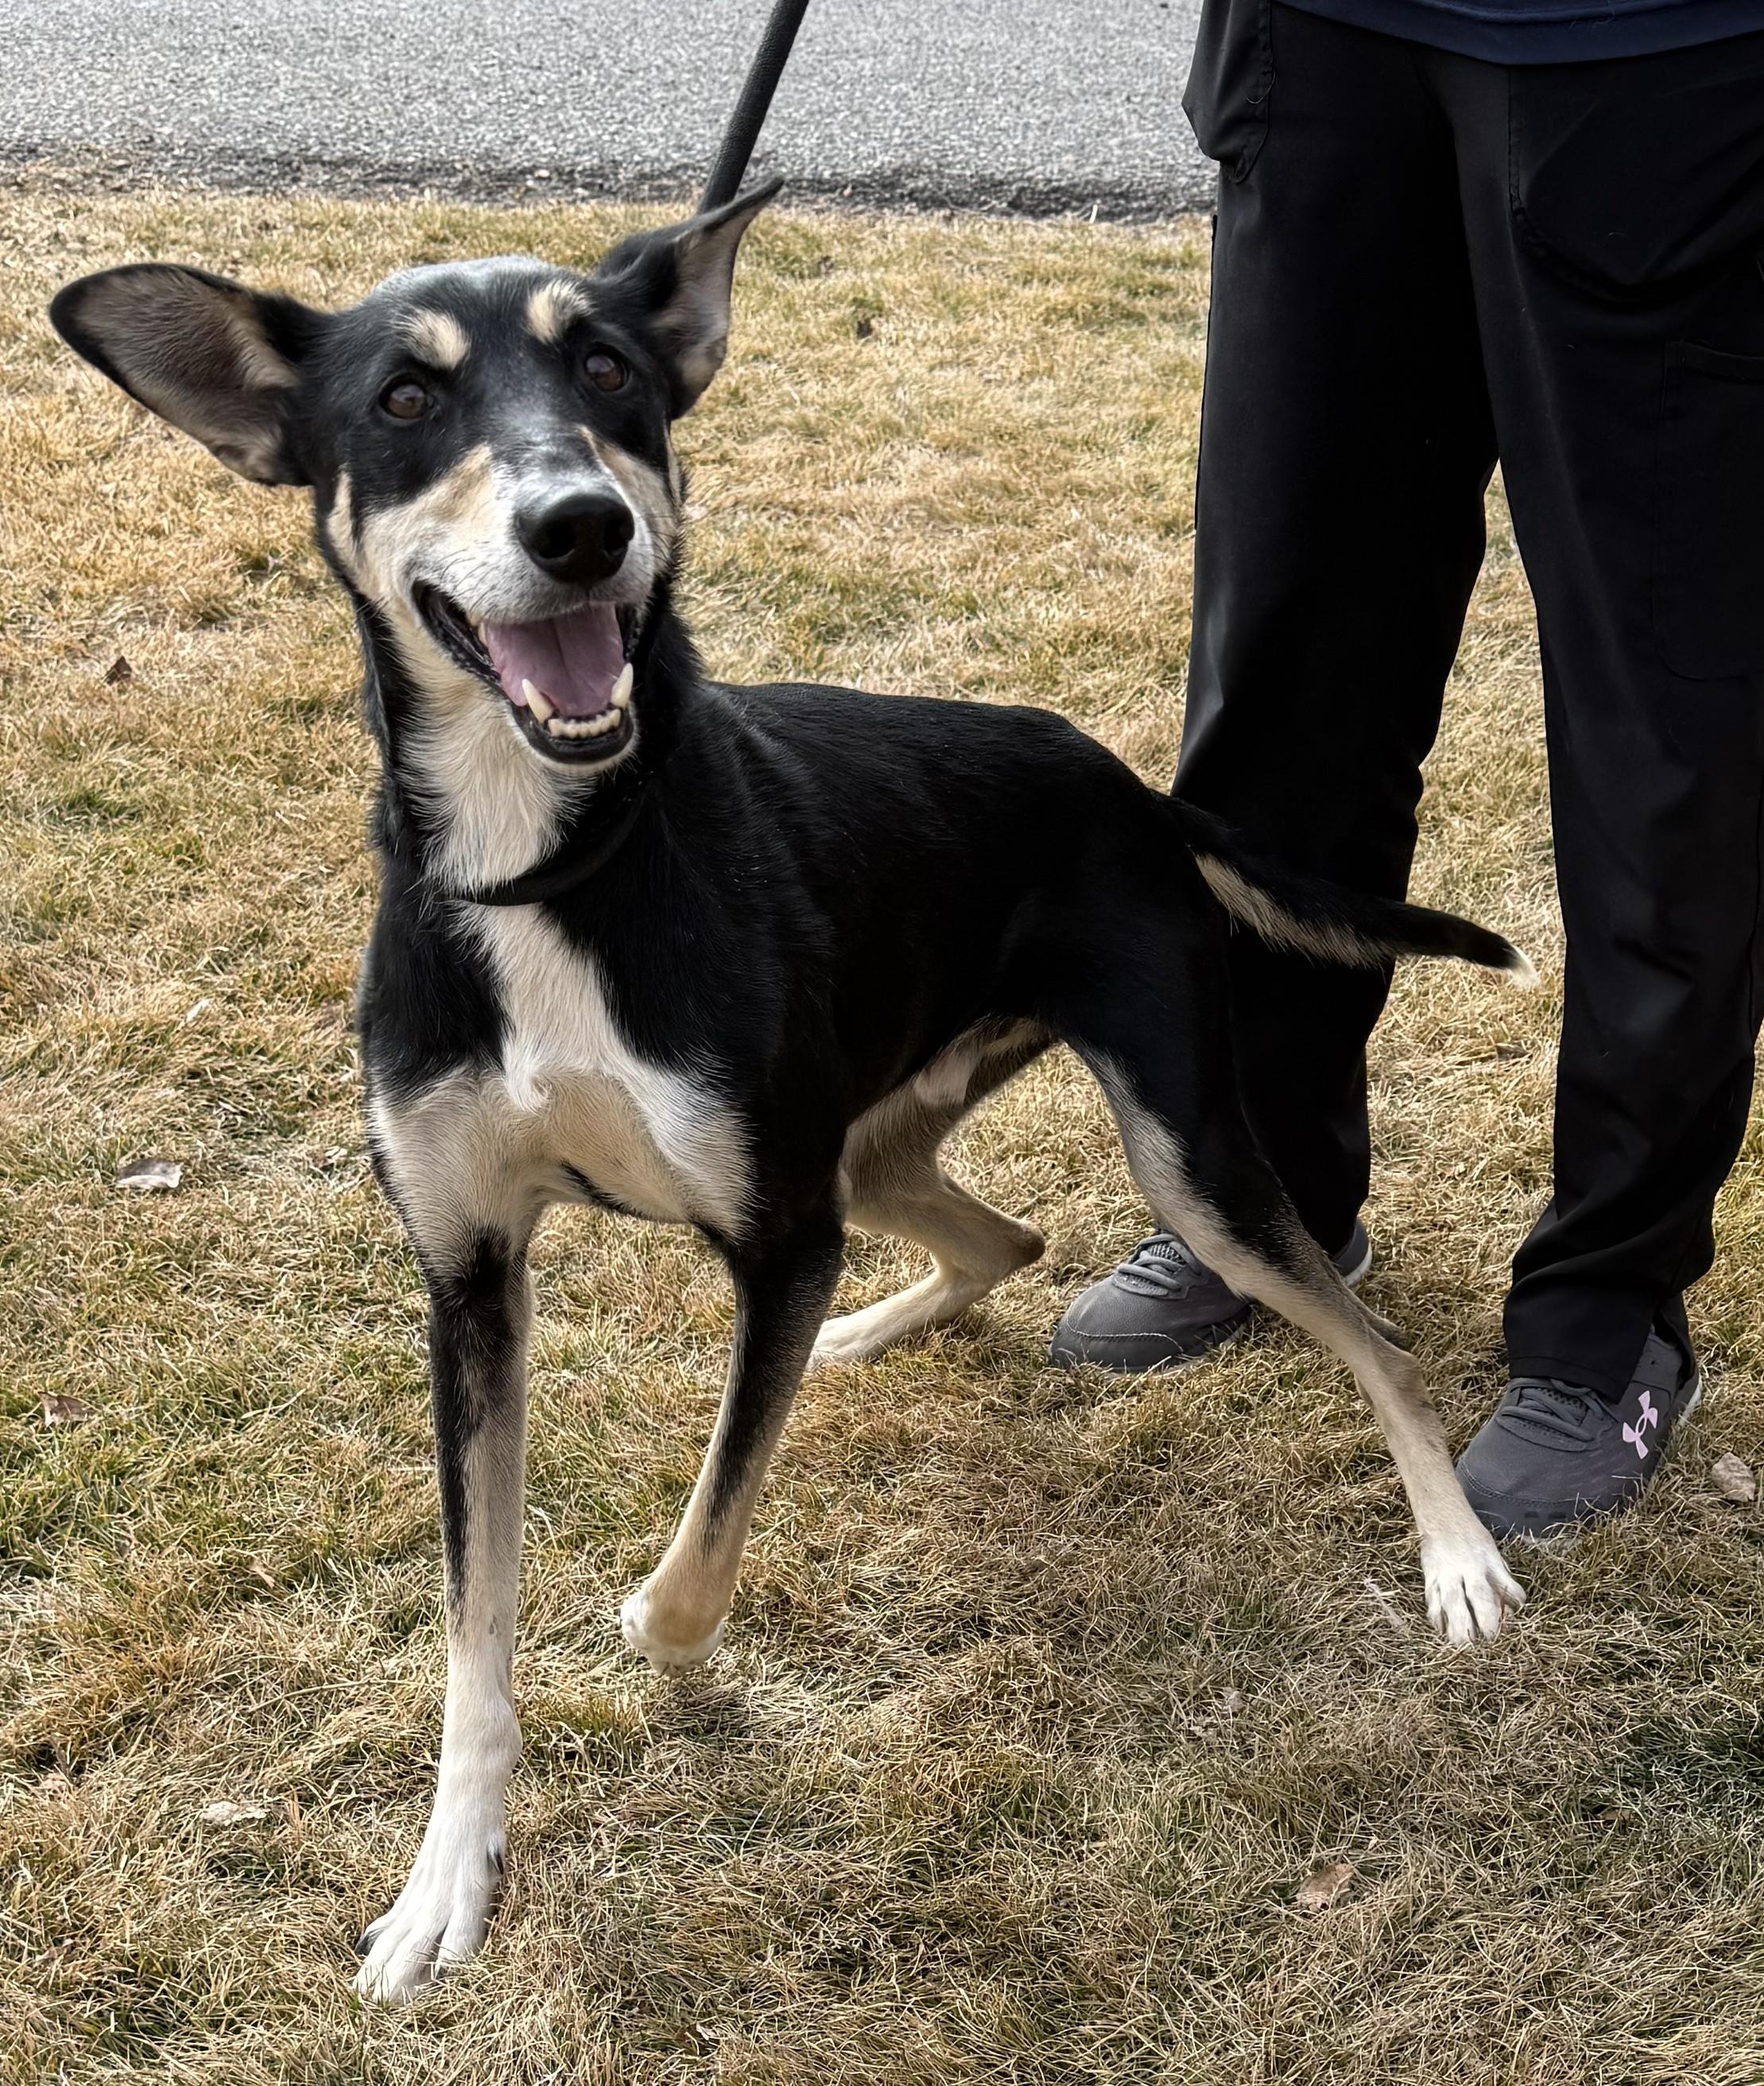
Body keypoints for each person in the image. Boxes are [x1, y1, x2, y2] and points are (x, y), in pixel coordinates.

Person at [1049, 0, 1764, 1537]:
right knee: (1283, 678)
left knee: (1664, 735)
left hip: (1658, 57)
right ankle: (1268, 1200)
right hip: (1325, 39)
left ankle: (1609, 1319)